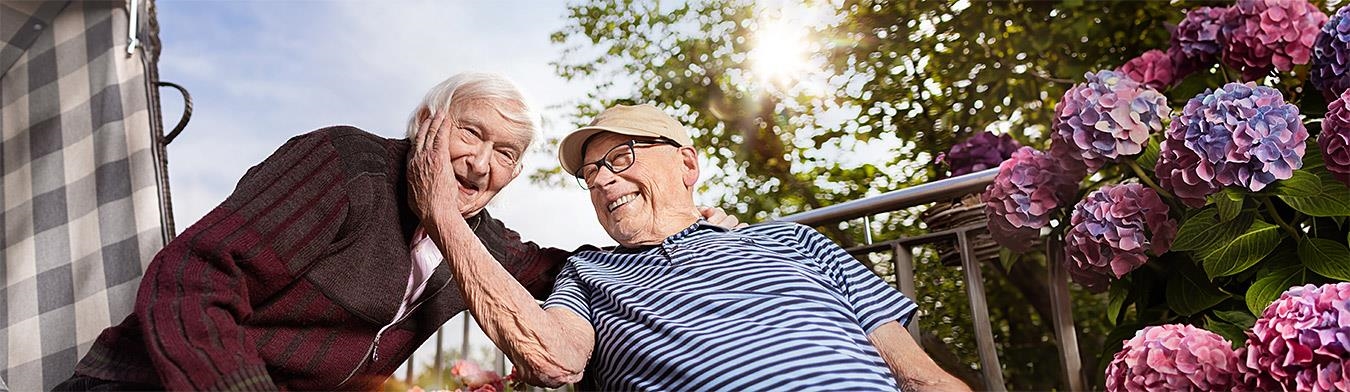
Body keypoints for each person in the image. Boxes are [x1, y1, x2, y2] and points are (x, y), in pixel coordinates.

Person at [54, 74, 739, 391]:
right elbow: (195, 278)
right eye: (470, 132)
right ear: (425, 123)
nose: (480, 162)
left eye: (506, 154)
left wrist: (689, 236)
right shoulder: (345, 165)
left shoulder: (485, 240)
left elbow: (567, 268)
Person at [410, 104, 970, 391]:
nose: (603, 181)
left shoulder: (794, 240)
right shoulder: (588, 272)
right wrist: (441, 211)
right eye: (591, 173)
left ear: (686, 163)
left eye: (621, 158)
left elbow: (921, 376)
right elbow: (552, 359)